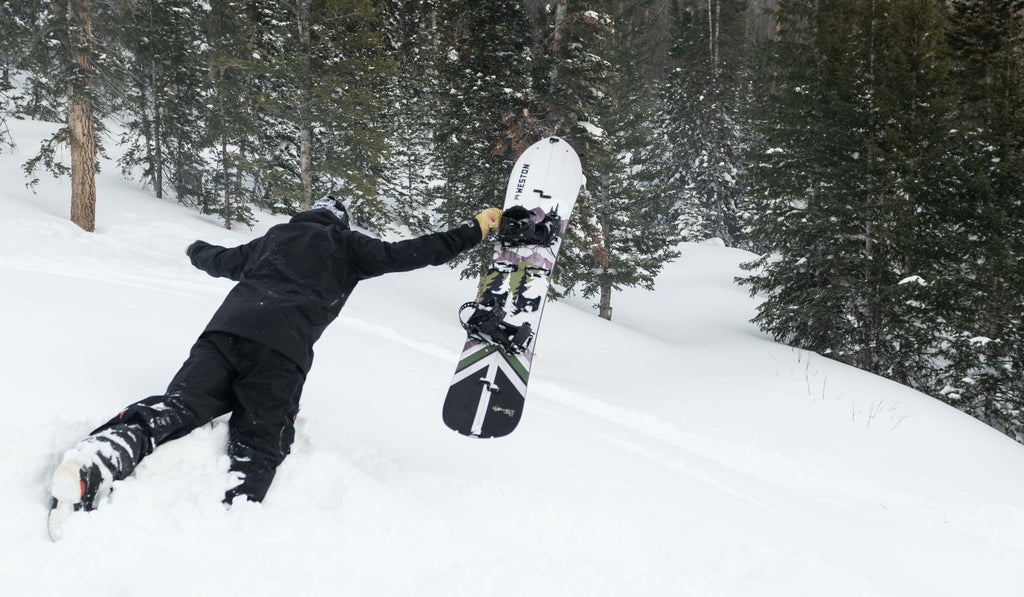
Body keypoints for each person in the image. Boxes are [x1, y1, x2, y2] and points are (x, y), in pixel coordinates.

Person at [49, 197, 502, 524]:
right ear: (339, 222)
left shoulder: (274, 239)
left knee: (180, 406)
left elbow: (222, 260)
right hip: (281, 349)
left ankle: (92, 464)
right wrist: (477, 228)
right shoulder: (347, 244)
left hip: (223, 335)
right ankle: (228, 525)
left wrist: (194, 250)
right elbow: (411, 253)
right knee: (260, 439)